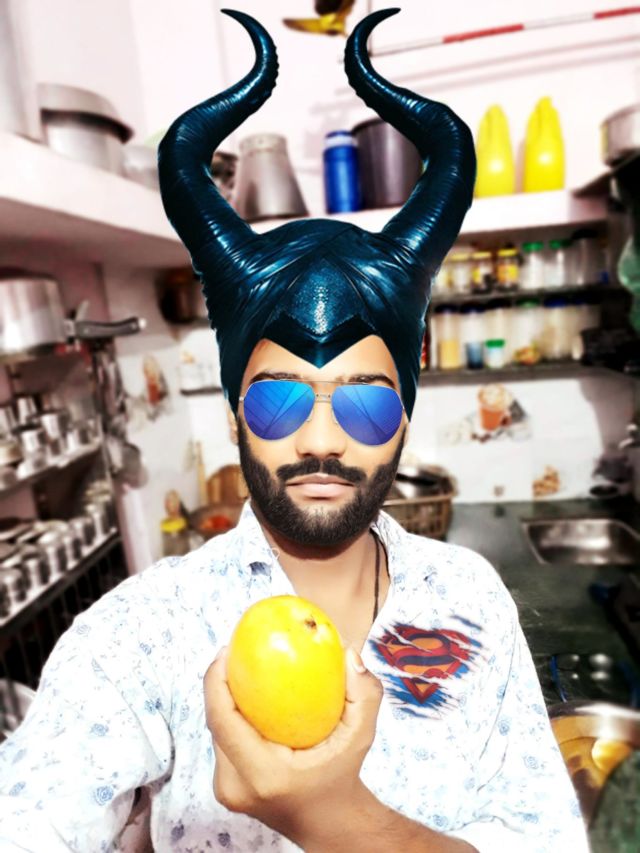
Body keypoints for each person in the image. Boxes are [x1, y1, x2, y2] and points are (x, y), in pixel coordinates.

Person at [0, 9, 589, 852]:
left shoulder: (470, 600)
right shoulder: (143, 632)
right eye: (280, 401)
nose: (321, 439)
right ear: (234, 409)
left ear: (404, 416)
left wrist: (333, 818)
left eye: (364, 404)